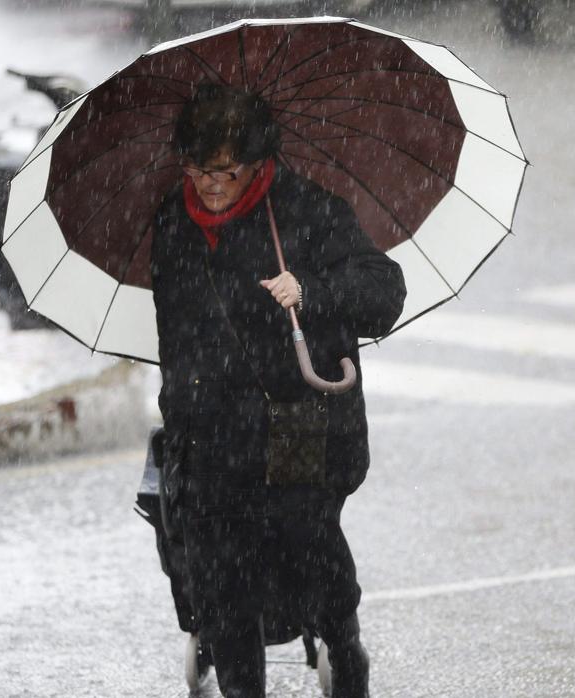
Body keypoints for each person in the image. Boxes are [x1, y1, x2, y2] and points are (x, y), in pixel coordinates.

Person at [150, 83, 406, 698]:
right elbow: (175, 334)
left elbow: (383, 290)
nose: (209, 184)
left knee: (313, 563)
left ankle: (344, 651)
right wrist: (180, 412)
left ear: (259, 162)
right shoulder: (171, 222)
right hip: (211, 434)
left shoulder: (304, 210)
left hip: (298, 427)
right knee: (221, 587)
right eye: (196, 167)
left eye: (225, 171)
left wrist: (311, 293)